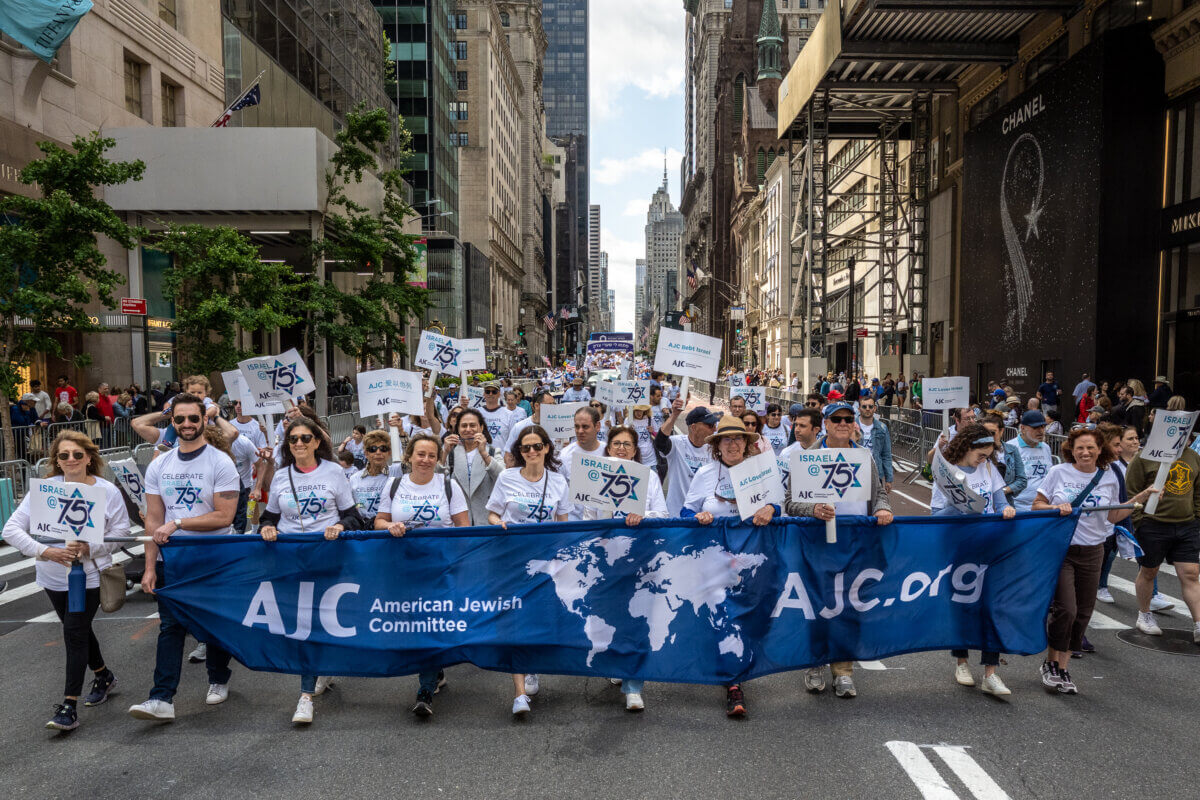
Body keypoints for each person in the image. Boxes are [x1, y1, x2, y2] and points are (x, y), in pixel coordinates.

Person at [2, 431, 130, 730]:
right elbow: (11, 530)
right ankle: (103, 674)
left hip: (89, 576)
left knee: (74, 633)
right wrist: (45, 551)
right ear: (56, 461)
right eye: (63, 455)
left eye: (77, 454)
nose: (71, 460)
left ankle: (69, 706)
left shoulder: (106, 490)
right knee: (78, 630)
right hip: (52, 578)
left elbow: (122, 530)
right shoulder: (43, 491)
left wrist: (90, 548)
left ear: (89, 456)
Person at [128, 394, 241, 723]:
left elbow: (224, 516)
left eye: (194, 418)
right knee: (171, 625)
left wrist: (178, 523)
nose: (187, 425)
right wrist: (150, 566)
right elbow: (153, 519)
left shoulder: (220, 463)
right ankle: (161, 697)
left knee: (214, 620)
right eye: (180, 420)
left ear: (204, 420)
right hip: (174, 558)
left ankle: (218, 676)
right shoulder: (160, 464)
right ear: (172, 423)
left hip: (215, 553)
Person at [1034, 428, 1156, 694]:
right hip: (1062, 550)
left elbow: (1112, 516)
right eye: (1080, 448)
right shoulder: (1059, 473)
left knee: (1083, 613)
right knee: (1066, 608)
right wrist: (1057, 508)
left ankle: (1063, 668)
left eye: (1090, 447)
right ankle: (1050, 664)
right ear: (1071, 450)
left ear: (1100, 449)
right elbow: (1037, 506)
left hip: (1093, 551)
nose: (1085, 452)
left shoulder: (1111, 475)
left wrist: (1139, 500)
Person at [786, 402, 893, 699]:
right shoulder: (807, 458)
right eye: (837, 419)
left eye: (848, 419)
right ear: (826, 424)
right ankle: (815, 663)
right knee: (818, 605)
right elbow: (790, 503)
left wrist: (883, 510)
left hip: (855, 543)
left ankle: (843, 671)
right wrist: (813, 509)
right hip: (817, 544)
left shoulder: (864, 457)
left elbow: (879, 495)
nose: (844, 423)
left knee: (849, 606)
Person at [257, 417, 359, 724]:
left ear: (317, 442)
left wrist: (339, 525)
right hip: (292, 559)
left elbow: (354, 517)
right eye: (292, 440)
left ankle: (305, 696)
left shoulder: (334, 472)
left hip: (327, 558)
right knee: (303, 623)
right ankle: (318, 672)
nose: (299, 443)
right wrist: (266, 529)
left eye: (305, 438)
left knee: (313, 622)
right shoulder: (280, 476)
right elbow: (269, 517)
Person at [682, 416, 778, 717]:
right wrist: (698, 519)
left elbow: (780, 506)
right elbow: (686, 511)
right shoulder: (706, 473)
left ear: (747, 444)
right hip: (714, 560)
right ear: (717, 446)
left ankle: (735, 667)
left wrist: (770, 508)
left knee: (747, 615)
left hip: (752, 559)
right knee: (723, 615)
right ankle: (734, 684)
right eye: (727, 439)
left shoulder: (762, 473)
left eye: (739, 439)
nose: (733, 444)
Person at [374, 433, 469, 717]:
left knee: (431, 621)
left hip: (440, 567)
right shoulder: (394, 484)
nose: (425, 460)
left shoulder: (449, 486)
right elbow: (378, 520)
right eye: (420, 454)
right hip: (405, 566)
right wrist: (390, 526)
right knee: (415, 623)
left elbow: (464, 528)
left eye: (431, 455)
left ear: (437, 458)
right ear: (409, 457)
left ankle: (425, 688)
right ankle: (435, 669)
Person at [486, 425, 571, 717]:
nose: (532, 452)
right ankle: (519, 694)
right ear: (519, 452)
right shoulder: (507, 477)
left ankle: (533, 663)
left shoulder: (559, 481)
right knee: (516, 620)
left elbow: (563, 525)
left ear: (547, 448)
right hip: (513, 560)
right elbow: (493, 512)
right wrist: (497, 522)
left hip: (546, 563)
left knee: (541, 616)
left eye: (537, 446)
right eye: (526, 448)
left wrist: (561, 562)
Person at [931, 423, 1017, 695]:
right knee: (964, 604)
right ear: (967, 447)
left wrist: (1007, 510)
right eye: (981, 454)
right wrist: (960, 509)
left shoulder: (989, 468)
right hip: (961, 548)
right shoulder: (946, 472)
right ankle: (962, 662)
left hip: (991, 544)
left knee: (993, 606)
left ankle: (991, 673)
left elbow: (1000, 500)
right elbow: (935, 517)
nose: (984, 459)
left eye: (988, 455)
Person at [1124, 416, 1200, 644]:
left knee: (1191, 574)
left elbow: (1198, 491)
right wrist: (1139, 520)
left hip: (1187, 525)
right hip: (1153, 525)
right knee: (1149, 571)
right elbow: (1131, 490)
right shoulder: (1144, 457)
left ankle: (1198, 623)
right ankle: (1144, 615)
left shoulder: (1193, 457)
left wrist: (1197, 518)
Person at [654, 400, 718, 517]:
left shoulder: (713, 449)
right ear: (693, 427)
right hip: (676, 515)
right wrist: (674, 415)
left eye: (714, 425)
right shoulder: (677, 443)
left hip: (703, 516)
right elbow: (660, 443)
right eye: (710, 425)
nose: (714, 429)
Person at [443, 408, 504, 525]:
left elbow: (502, 478)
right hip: (459, 522)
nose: (468, 429)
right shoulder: (450, 453)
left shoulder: (491, 451)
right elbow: (436, 479)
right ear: (458, 429)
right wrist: (444, 453)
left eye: (472, 425)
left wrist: (484, 454)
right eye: (464, 426)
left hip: (486, 521)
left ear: (481, 427)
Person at [559, 406, 607, 520]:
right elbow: (559, 493)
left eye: (585, 427)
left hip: (603, 524)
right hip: (574, 524)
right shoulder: (564, 456)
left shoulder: (609, 453)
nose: (580, 431)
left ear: (598, 426)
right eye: (577, 426)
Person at [1003, 411, 1051, 511]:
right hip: (1018, 507)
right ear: (1023, 428)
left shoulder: (1046, 448)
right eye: (1035, 428)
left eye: (1042, 427)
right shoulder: (1010, 448)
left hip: (1043, 506)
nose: (1041, 431)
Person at [350, 430, 395, 520]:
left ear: (389, 453)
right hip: (363, 530)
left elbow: (411, 459)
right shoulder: (354, 478)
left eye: (383, 449)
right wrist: (361, 507)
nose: (378, 452)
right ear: (366, 453)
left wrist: (401, 432)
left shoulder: (396, 473)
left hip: (389, 529)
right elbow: (353, 504)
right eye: (373, 449)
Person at [856, 396, 893, 492]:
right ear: (859, 409)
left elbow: (886, 454)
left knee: (875, 504)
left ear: (875, 408)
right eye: (864, 407)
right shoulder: (851, 426)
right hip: (855, 473)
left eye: (870, 406)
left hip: (876, 474)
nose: (867, 409)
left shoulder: (882, 428)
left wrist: (888, 479)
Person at [478, 384, 514, 452]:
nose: (490, 394)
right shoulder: (477, 412)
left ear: (499, 394)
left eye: (494, 392)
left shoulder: (509, 414)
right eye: (487, 391)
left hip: (502, 458)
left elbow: (513, 439)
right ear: (484, 394)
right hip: (481, 457)